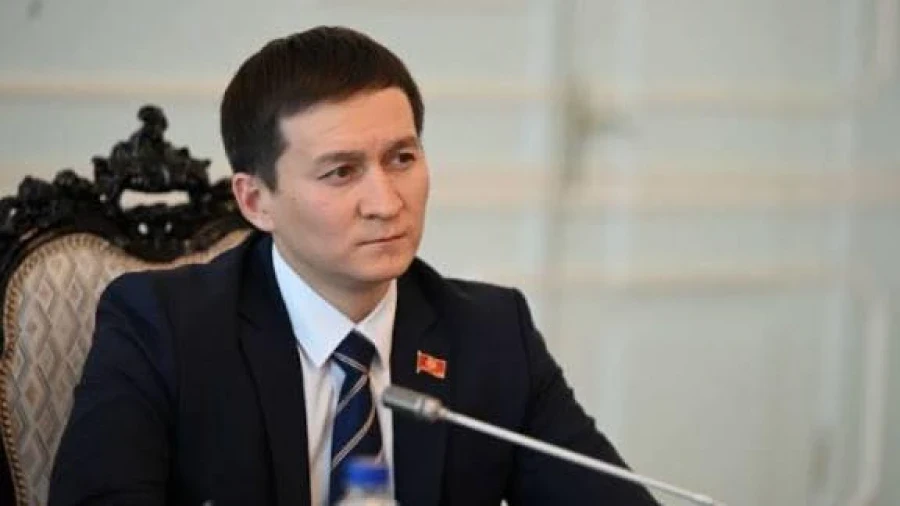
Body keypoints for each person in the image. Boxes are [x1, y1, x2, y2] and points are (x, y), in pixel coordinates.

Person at [49, 26, 660, 506]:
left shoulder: (492, 335)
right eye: (341, 172)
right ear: (256, 201)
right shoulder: (162, 328)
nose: (386, 203)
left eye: (402, 159)